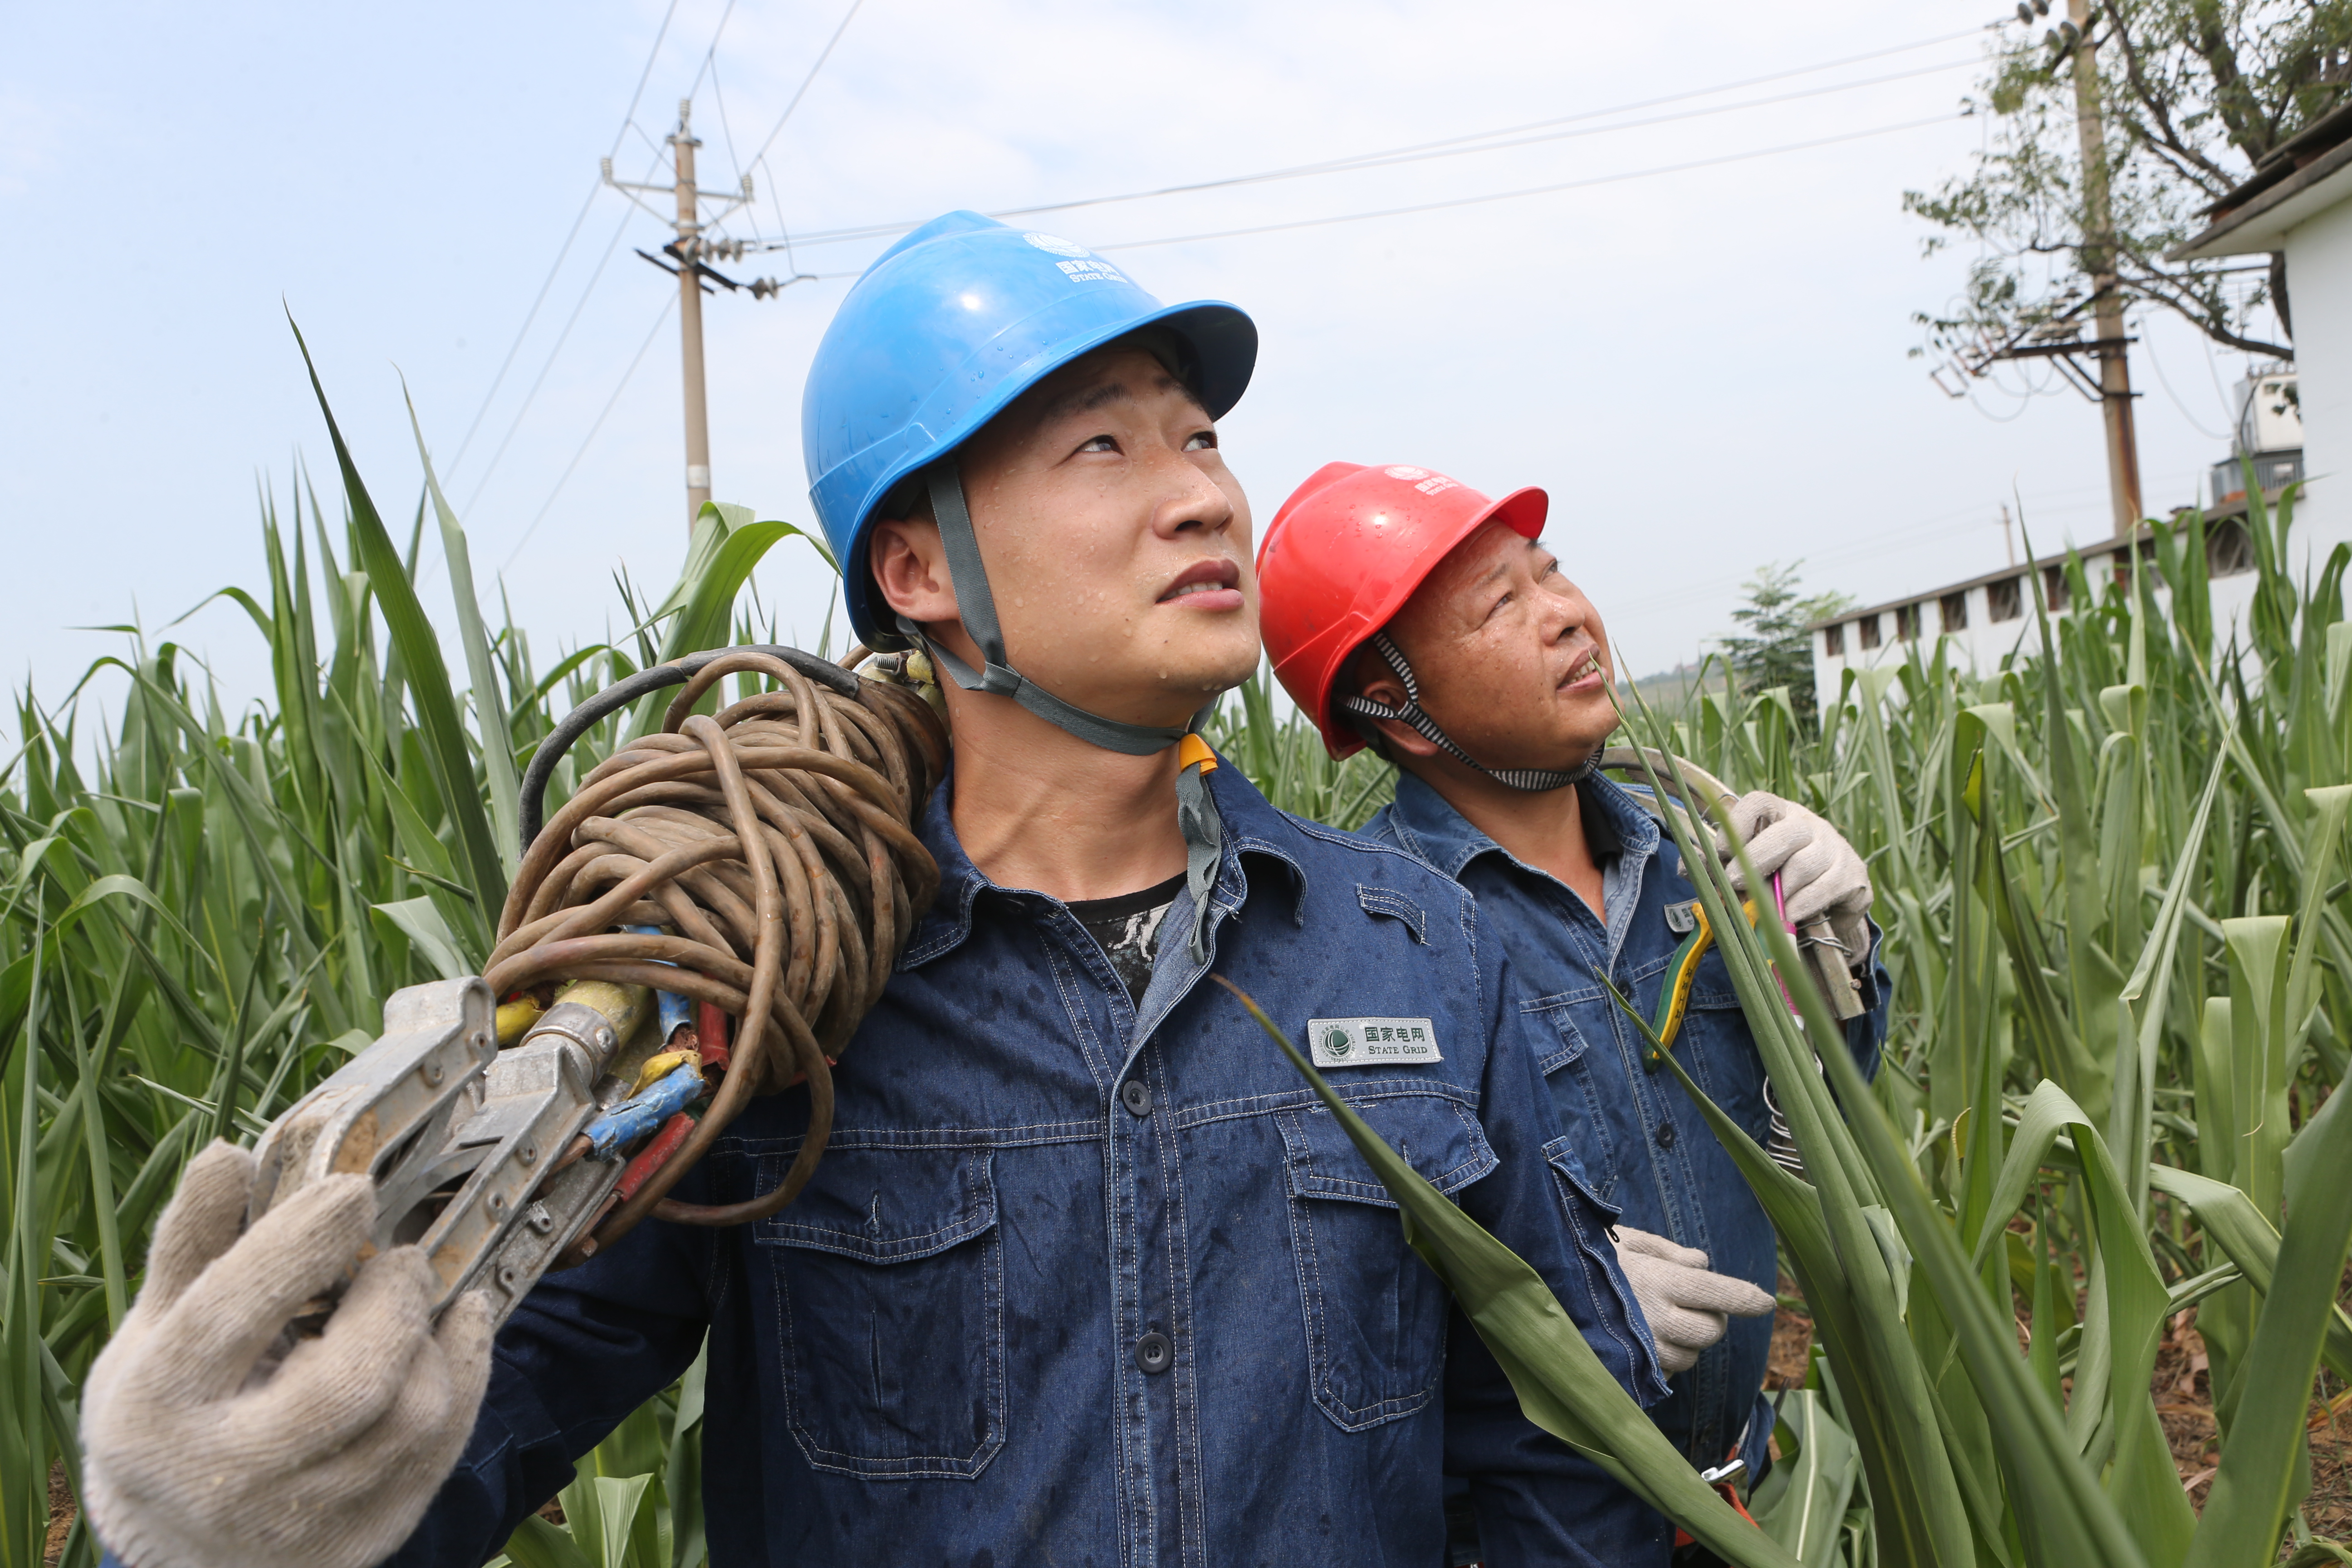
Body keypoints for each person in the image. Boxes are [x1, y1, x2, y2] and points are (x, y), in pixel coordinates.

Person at [79, 217, 1674, 1568]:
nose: (1201, 493)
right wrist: (217, 1500)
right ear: (919, 573)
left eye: (1199, 438)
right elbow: (475, 1418)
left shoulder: (1409, 942)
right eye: (1103, 443)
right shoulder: (762, 993)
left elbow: (1558, 1457)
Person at [1255, 462, 1890, 1553]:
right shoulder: (1361, 945)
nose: (1565, 615)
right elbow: (1328, 1294)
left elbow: (1818, 1128)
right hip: (1535, 1533)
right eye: (1502, 604)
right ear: (1391, 707)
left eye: (1550, 573)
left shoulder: (1706, 858)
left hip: (1751, 1498)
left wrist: (1842, 954)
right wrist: (1553, 1307)